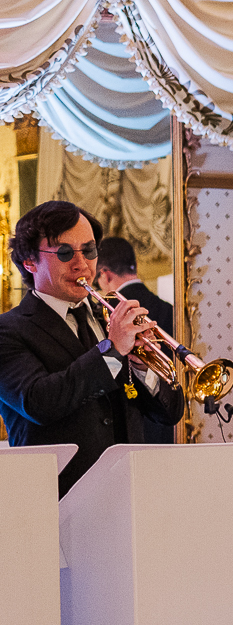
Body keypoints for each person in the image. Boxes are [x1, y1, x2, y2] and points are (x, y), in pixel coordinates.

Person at [0, 200, 184, 494]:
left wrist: (140, 366)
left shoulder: (109, 315)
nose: (81, 264)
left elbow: (170, 412)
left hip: (130, 492)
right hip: (56, 499)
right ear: (29, 262)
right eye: (64, 252)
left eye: (88, 250)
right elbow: (40, 402)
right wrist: (112, 350)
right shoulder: (8, 330)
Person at [95, 237, 176, 445]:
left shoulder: (110, 315)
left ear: (104, 274)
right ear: (135, 265)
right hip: (164, 421)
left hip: (128, 426)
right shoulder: (168, 309)